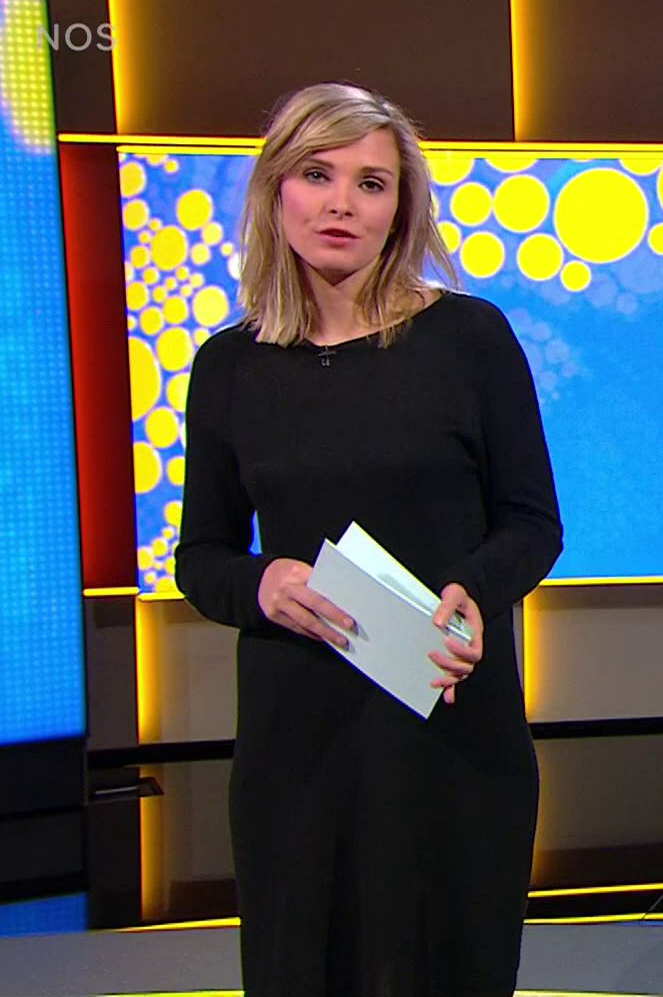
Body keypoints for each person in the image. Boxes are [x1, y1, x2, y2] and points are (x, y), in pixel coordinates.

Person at [176, 81, 562, 996]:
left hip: (448, 725)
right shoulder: (228, 366)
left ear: (401, 208)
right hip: (299, 743)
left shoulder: (469, 338)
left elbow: (533, 523)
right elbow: (203, 556)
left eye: (371, 183)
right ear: (276, 190)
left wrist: (474, 587)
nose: (341, 203)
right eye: (317, 174)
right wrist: (263, 584)